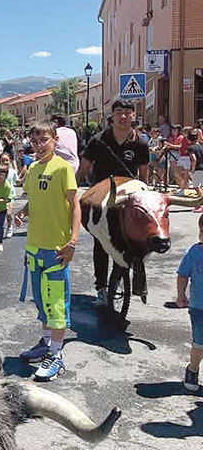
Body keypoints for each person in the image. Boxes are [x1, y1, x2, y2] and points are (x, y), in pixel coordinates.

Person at [16, 120, 81, 382]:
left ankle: (56, 355)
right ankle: (46, 343)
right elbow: (35, 200)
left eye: (44, 140)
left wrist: (73, 241)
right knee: (42, 303)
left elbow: (75, 206)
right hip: (34, 248)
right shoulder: (32, 169)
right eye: (35, 141)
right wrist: (22, 212)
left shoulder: (63, 168)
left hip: (56, 250)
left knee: (56, 304)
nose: (40, 145)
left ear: (55, 140)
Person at [76, 99, 149, 305]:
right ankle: (101, 287)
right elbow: (83, 169)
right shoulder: (98, 140)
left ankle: (120, 278)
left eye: (127, 113)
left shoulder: (141, 143)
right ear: (112, 116)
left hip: (127, 197)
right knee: (101, 243)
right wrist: (70, 195)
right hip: (102, 199)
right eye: (119, 112)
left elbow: (144, 176)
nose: (123, 117)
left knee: (130, 241)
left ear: (133, 116)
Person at [176, 213, 203, 391]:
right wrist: (181, 295)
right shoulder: (194, 252)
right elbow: (183, 275)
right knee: (199, 344)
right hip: (199, 307)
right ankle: (192, 369)